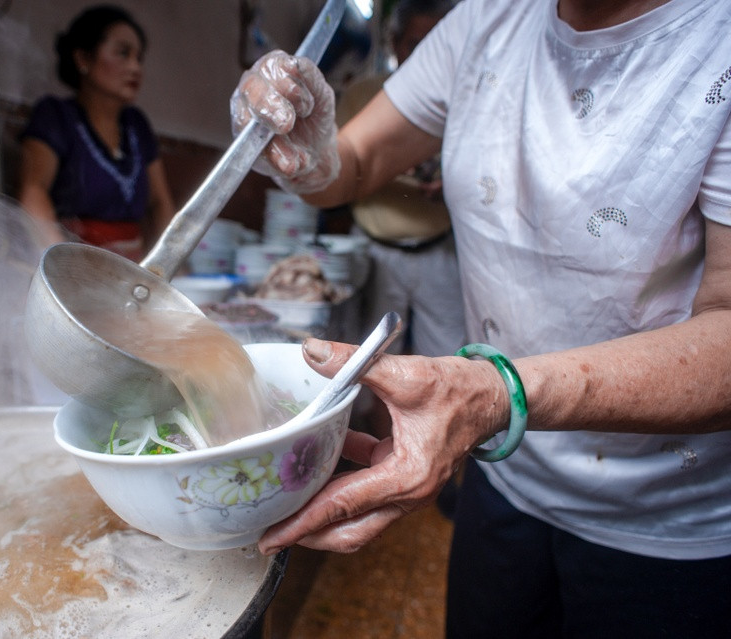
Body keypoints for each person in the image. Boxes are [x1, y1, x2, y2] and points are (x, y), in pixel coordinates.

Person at [229, 0, 731, 636]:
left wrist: (498, 394)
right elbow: (351, 162)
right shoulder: (489, 18)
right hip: (507, 473)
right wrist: (307, 150)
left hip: (666, 519)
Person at [337, 0, 465, 443]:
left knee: (453, 363)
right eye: (415, 44)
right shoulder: (362, 95)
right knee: (369, 368)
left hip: (440, 247)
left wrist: (455, 179)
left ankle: (443, 465)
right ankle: (382, 455)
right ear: (394, 43)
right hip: (376, 247)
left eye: (436, 43)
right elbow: (342, 169)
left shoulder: (464, 100)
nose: (427, 55)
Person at [18, 5, 175, 260]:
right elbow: (33, 191)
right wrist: (62, 264)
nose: (135, 67)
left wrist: (172, 263)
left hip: (130, 271)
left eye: (139, 57)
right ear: (83, 59)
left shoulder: (137, 125)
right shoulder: (55, 117)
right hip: (75, 263)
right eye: (122, 53)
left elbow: (161, 205)